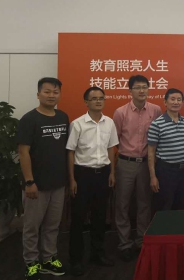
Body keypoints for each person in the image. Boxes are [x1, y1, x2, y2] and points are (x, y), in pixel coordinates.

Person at [17, 77, 69, 280]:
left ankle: (48, 258)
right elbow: (23, 152)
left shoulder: (63, 117)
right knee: (31, 227)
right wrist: (29, 182)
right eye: (47, 92)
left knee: (52, 225)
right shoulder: (29, 119)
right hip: (36, 185)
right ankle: (31, 262)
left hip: (58, 183)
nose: (51, 95)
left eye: (55, 92)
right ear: (38, 94)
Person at [66, 87, 118, 276]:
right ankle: (76, 260)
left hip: (103, 174)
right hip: (83, 175)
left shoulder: (109, 122)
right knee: (78, 219)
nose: (98, 101)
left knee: (99, 217)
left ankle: (97, 254)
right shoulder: (77, 124)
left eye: (101, 98)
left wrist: (112, 172)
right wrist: (72, 179)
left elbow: (111, 148)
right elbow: (70, 152)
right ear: (86, 102)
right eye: (94, 98)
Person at [113, 75, 162, 262]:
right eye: (137, 87)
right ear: (130, 91)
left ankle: (142, 241)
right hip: (125, 163)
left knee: (144, 203)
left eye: (145, 87)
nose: (142, 90)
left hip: (146, 164)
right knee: (122, 204)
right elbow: (115, 139)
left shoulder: (155, 110)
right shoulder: (120, 112)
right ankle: (124, 243)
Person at [148, 88, 184, 210]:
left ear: (182, 103)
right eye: (172, 99)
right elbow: (151, 152)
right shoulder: (156, 124)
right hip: (165, 171)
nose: (176, 102)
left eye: (179, 100)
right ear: (165, 102)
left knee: (183, 204)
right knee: (164, 205)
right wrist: (153, 176)